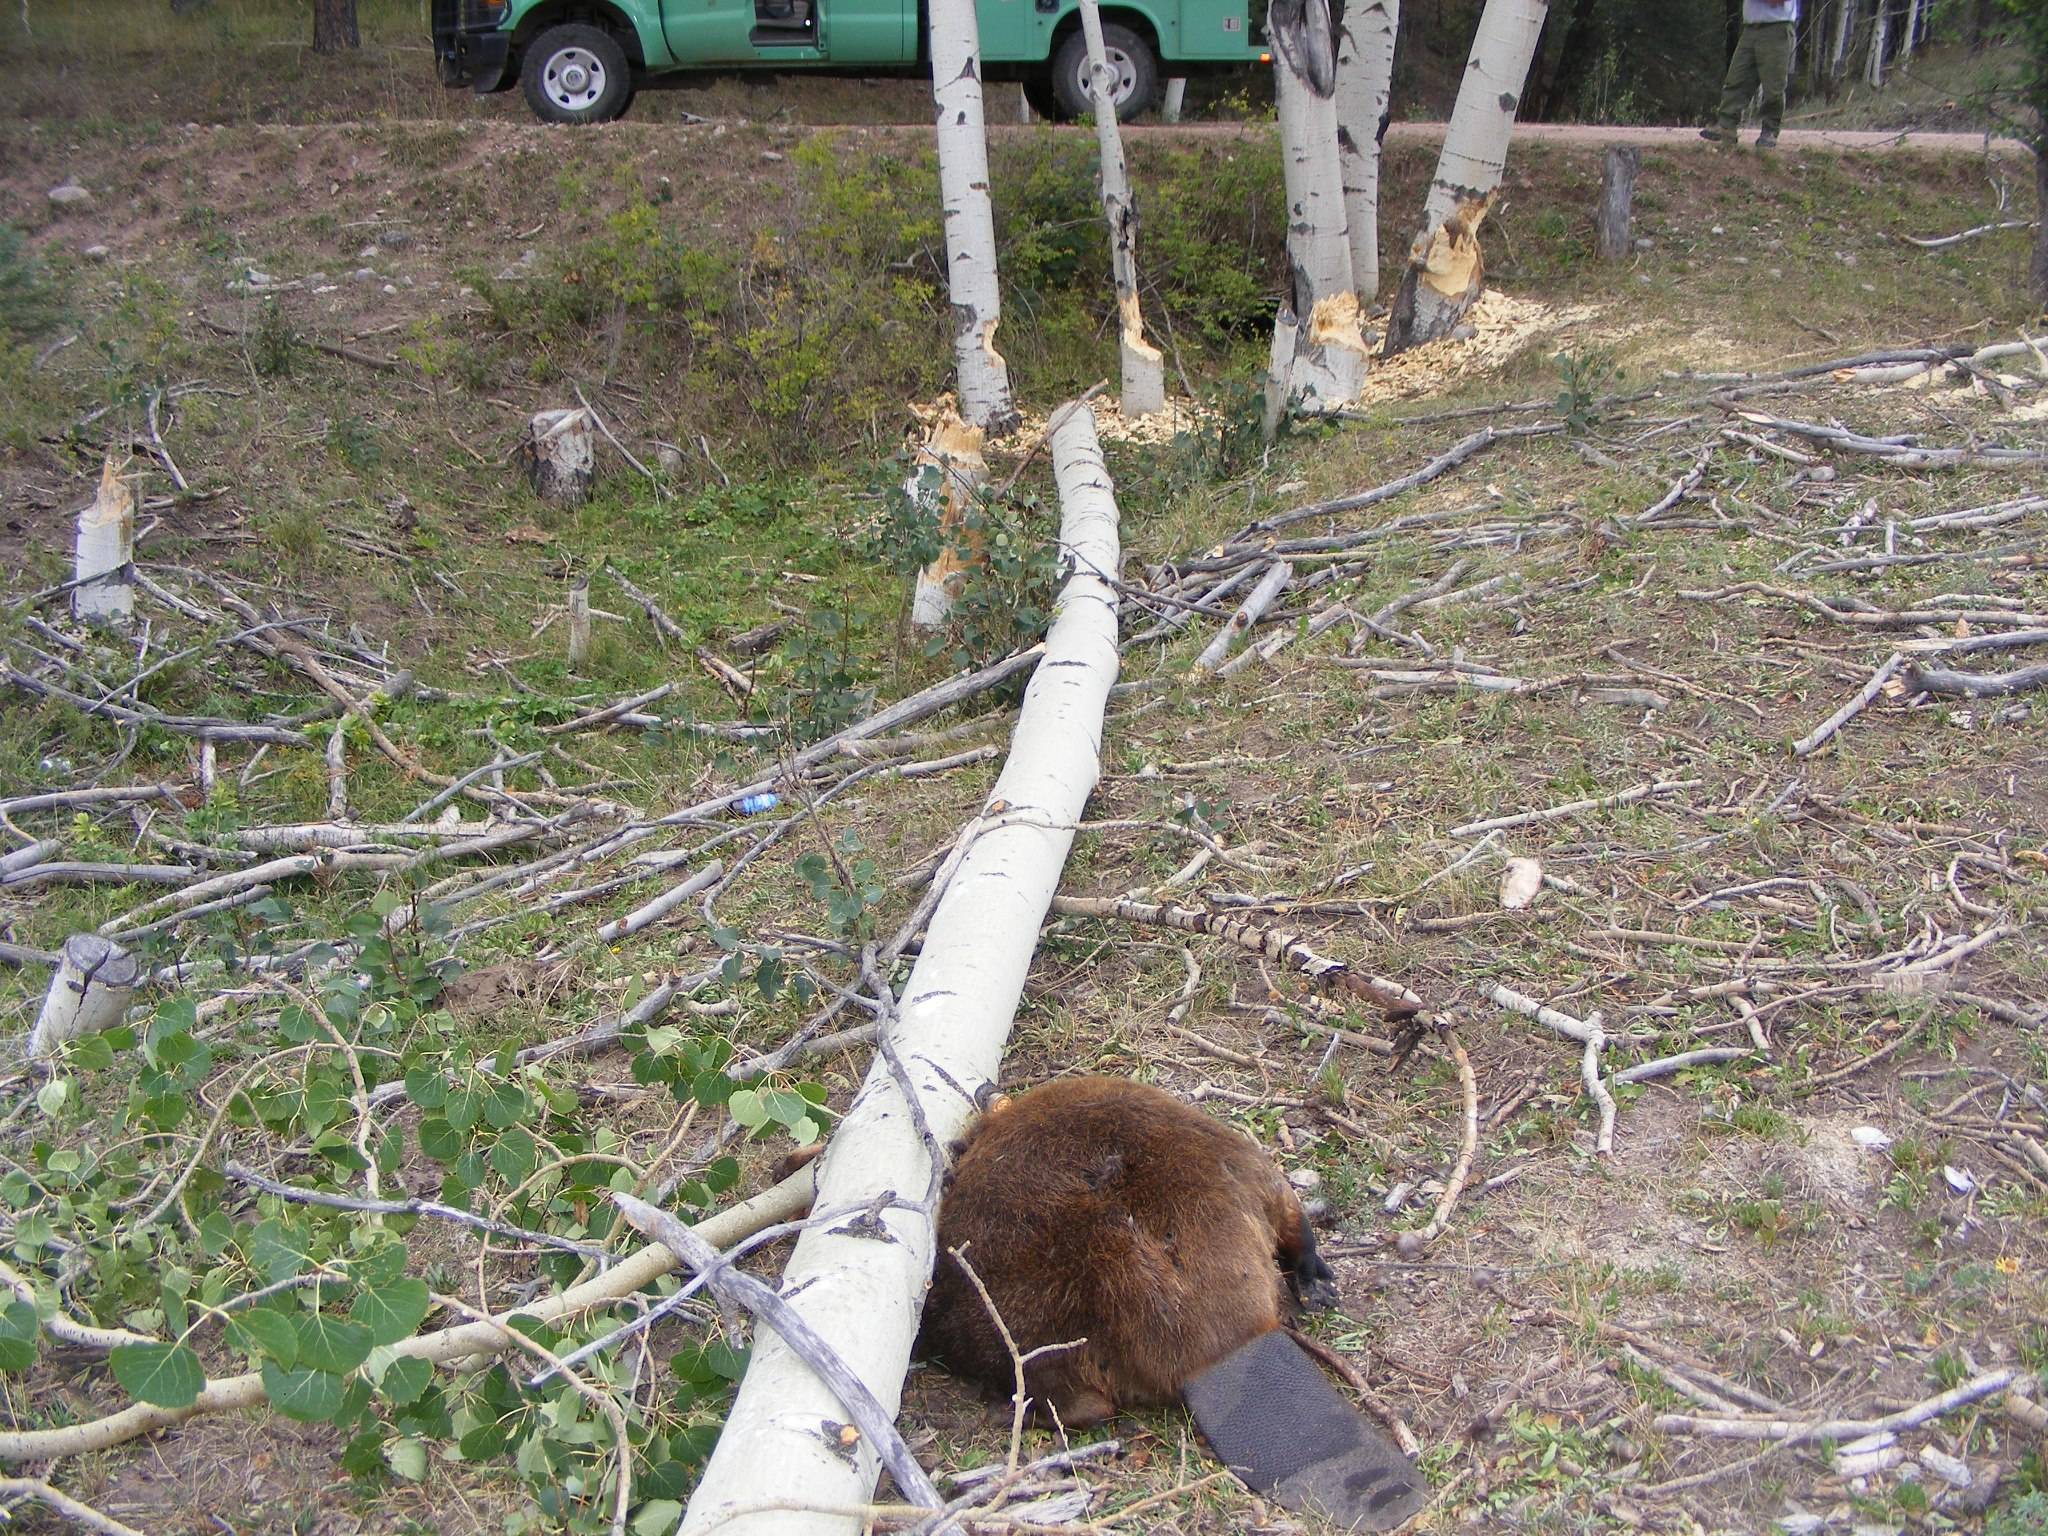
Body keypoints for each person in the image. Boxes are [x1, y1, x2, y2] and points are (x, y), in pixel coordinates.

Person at [1702, 0, 1797, 151]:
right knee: (1737, 79)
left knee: (1773, 87)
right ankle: (1726, 126)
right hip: (1751, 28)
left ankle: (1770, 130)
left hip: (1776, 28)